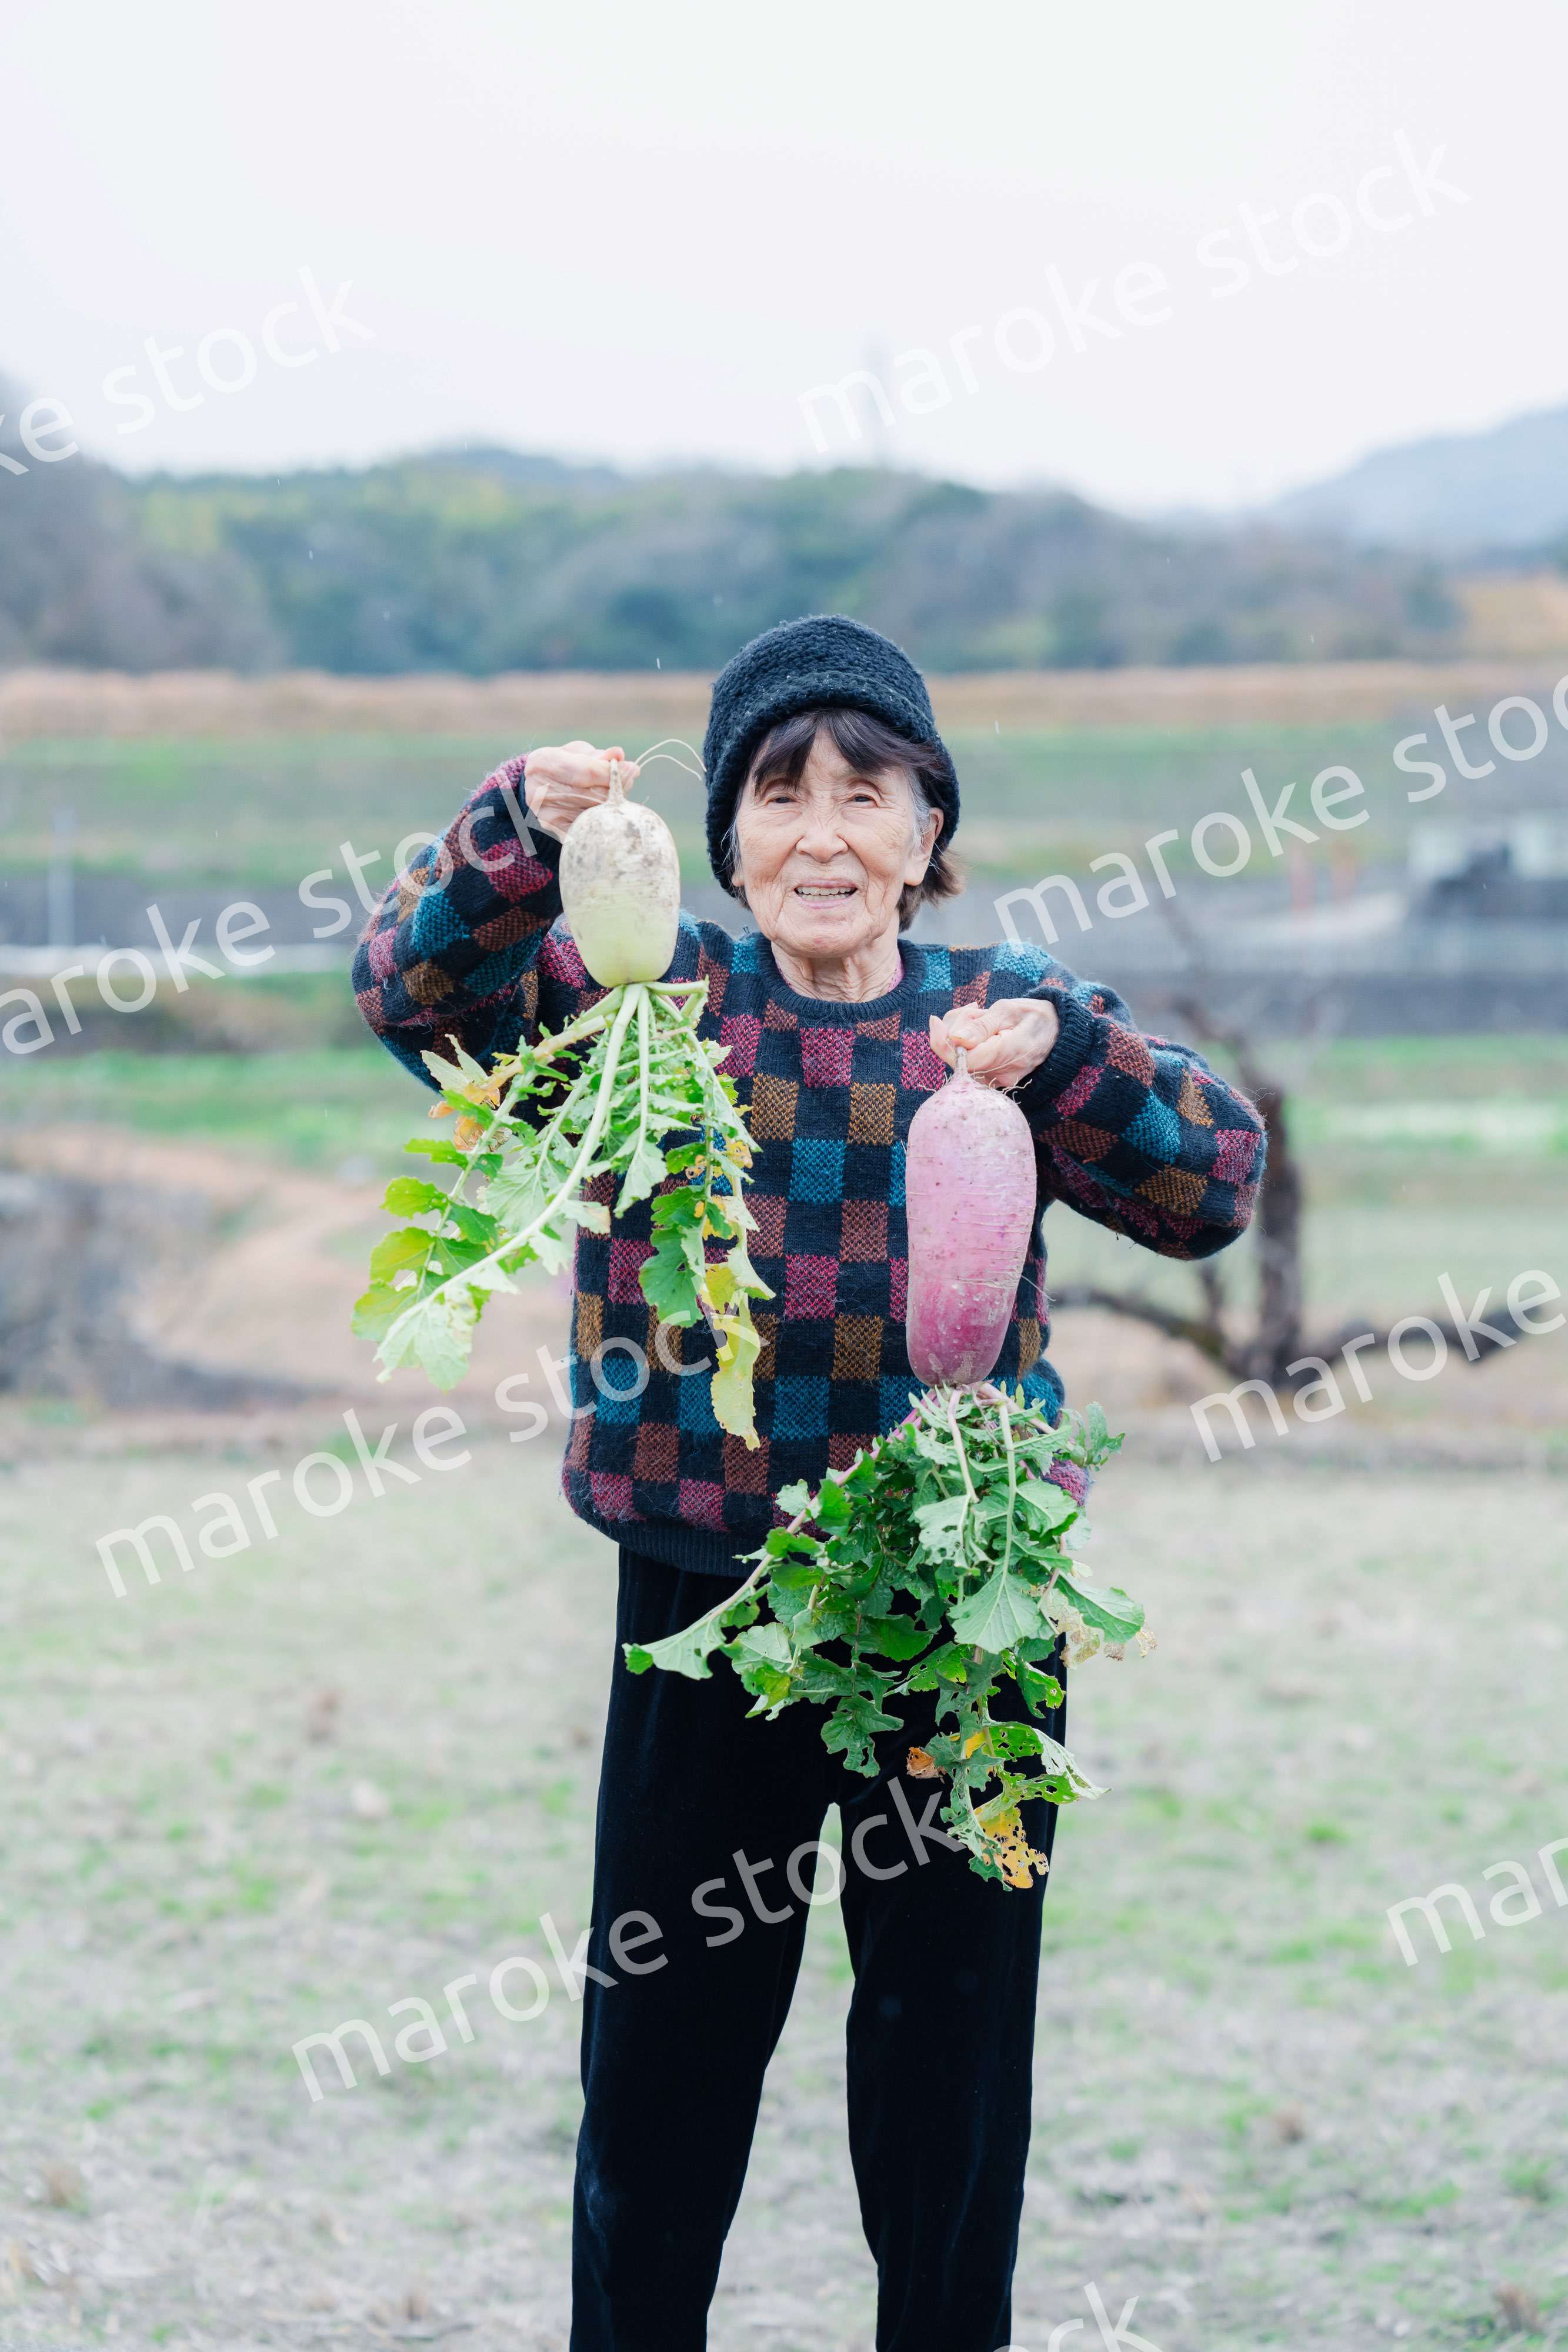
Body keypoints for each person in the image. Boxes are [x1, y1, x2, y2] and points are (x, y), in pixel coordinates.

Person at [353, 614, 1265, 2350]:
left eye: (867, 793)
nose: (823, 834)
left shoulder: (1003, 1020)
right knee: (662, 2073)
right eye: (780, 794)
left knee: (949, 2076)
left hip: (963, 1609)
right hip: (705, 1605)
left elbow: (1213, 1185)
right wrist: (518, 831)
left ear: (929, 832)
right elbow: (415, 996)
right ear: (724, 839)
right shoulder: (640, 1010)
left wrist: (1067, 1063)